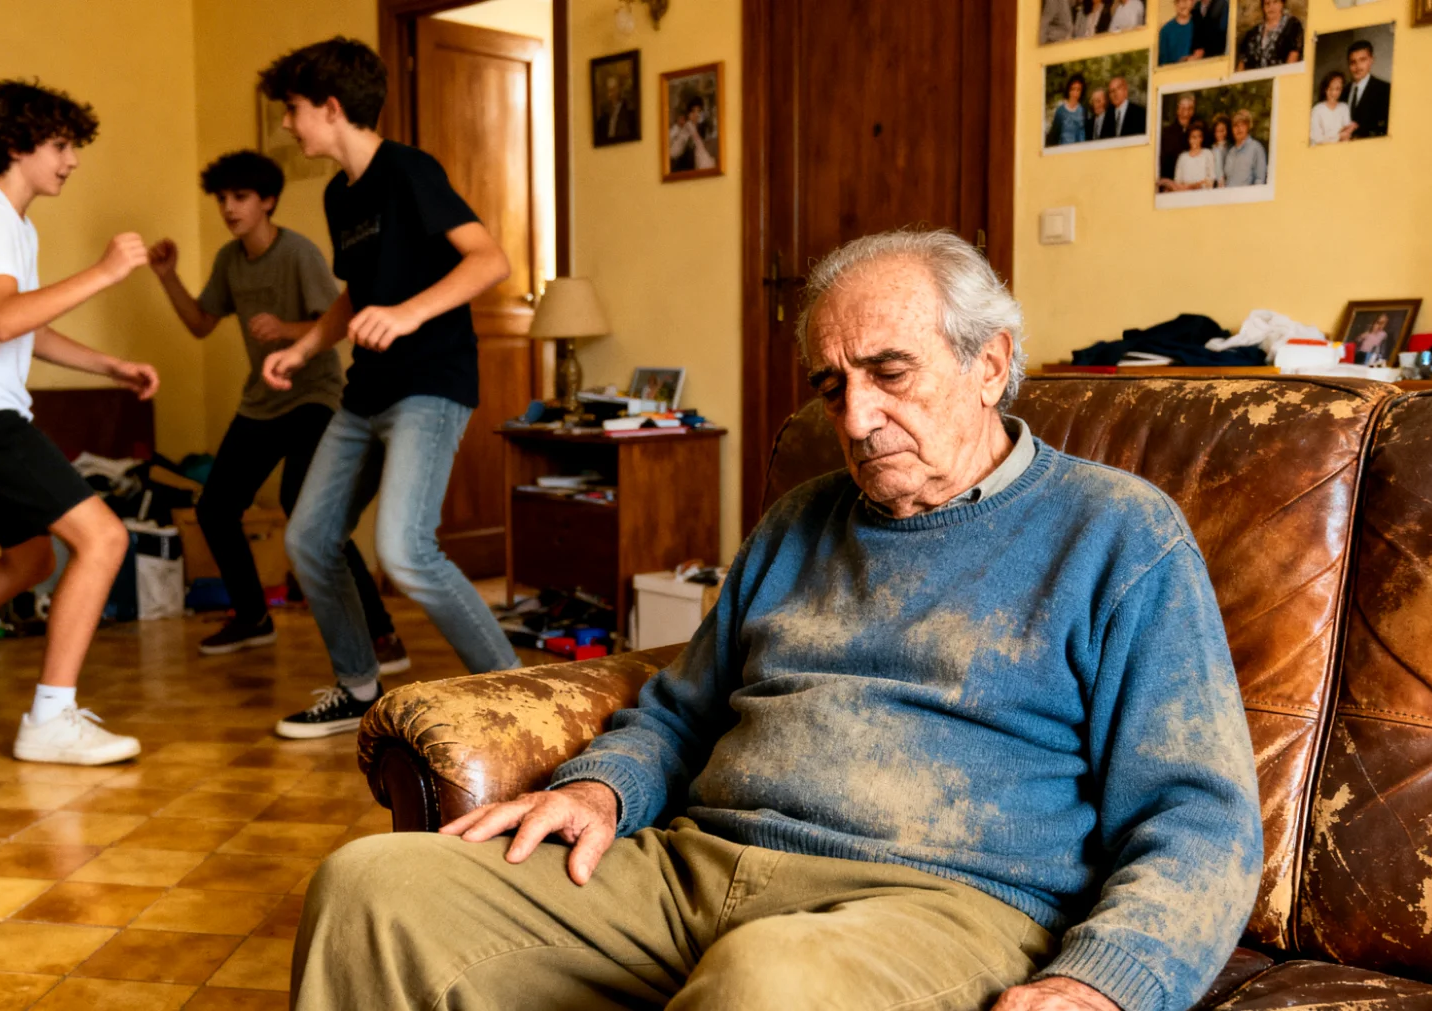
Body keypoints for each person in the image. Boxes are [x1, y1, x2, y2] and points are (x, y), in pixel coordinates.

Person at [292, 228, 1262, 1011]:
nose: (854, 418)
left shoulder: (1117, 532)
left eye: (891, 372)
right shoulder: (800, 518)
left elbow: (1200, 817)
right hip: (693, 870)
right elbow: (681, 709)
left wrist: (1103, 983)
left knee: (769, 984)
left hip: (937, 905)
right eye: (832, 385)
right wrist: (602, 788)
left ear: (991, 364)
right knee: (375, 889)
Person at [254, 38, 519, 739]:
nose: (287, 124)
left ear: (332, 108)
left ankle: (519, 689)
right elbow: (356, 291)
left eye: (293, 110)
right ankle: (356, 686)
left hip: (430, 385)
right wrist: (307, 344)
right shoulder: (339, 194)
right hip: (365, 392)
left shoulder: (409, 170)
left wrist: (407, 313)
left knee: (404, 550)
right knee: (309, 537)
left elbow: (491, 259)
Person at [0, 81, 157, 765]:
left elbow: (24, 329)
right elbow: (6, 317)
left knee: (32, 557)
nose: (71, 160)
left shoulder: (11, 222)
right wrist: (106, 272)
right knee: (103, 539)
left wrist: (109, 364)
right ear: (17, 146)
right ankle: (51, 716)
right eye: (61, 145)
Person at [146, 150, 409, 669]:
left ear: (267, 201)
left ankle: (381, 633)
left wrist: (285, 331)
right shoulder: (228, 259)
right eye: (222, 199)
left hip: (316, 397)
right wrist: (167, 276)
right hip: (261, 401)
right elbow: (201, 323)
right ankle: (253, 617)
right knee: (215, 507)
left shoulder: (299, 254)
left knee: (306, 507)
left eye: (240, 197)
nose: (229, 208)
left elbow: (333, 327)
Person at [1237, 0, 1304, 71]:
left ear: (1282, 4)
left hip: (1282, 77)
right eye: (1267, 3)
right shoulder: (1253, 33)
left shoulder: (1292, 25)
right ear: (1263, 7)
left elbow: (1293, 56)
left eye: (1275, 2)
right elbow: (1242, 63)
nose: (1271, 7)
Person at [1345, 39, 1391, 139]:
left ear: (1371, 60)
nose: (1357, 67)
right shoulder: (1342, 92)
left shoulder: (1385, 90)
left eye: (1362, 60)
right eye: (1353, 62)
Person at [1158, 92, 1200, 185]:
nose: (1186, 113)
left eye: (1190, 109)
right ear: (1177, 110)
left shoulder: (1198, 131)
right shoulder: (1167, 133)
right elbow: (1163, 163)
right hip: (1172, 185)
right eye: (1183, 108)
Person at [668, 96, 716, 173]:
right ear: (688, 113)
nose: (696, 114)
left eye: (698, 111)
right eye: (693, 111)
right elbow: (673, 152)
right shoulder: (686, 127)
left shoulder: (701, 127)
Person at [1221, 109, 1268, 186]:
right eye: (1235, 125)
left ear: (1248, 127)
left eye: (1242, 125)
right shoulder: (1230, 152)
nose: (1239, 129)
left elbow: (1260, 180)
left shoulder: (1256, 148)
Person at [1311, 71, 1354, 144]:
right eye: (1330, 88)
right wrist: (1339, 136)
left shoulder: (1344, 107)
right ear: (1325, 89)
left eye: (1337, 89)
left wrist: (1349, 129)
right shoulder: (1317, 110)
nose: (1333, 93)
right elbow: (1316, 138)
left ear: (1341, 89)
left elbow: (1346, 135)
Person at [1172, 121, 1217, 190]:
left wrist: (1194, 185)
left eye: (1199, 137)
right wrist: (1189, 186)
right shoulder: (1182, 157)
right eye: (1193, 137)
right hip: (1185, 195)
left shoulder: (1208, 154)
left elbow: (1211, 179)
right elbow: (1177, 181)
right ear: (1189, 139)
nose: (1196, 140)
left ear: (1202, 138)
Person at [1046, 74, 1088, 148]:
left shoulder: (1083, 110)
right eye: (1073, 89)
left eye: (1078, 90)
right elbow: (1053, 136)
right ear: (1068, 90)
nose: (1075, 93)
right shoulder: (1060, 111)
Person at [1210, 114, 1233, 186]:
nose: (1220, 134)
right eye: (1217, 131)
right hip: (1215, 184)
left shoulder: (1231, 148)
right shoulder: (1212, 149)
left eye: (1222, 130)